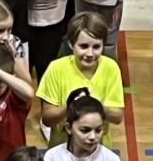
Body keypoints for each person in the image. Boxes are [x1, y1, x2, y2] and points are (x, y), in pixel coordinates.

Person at [37, 11, 125, 147]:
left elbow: (118, 117)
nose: (90, 53)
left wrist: (94, 105)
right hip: (63, 148)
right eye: (83, 46)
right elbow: (47, 119)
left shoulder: (111, 68)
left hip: (98, 148)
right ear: (71, 44)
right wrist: (70, 106)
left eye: (96, 47)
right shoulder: (56, 69)